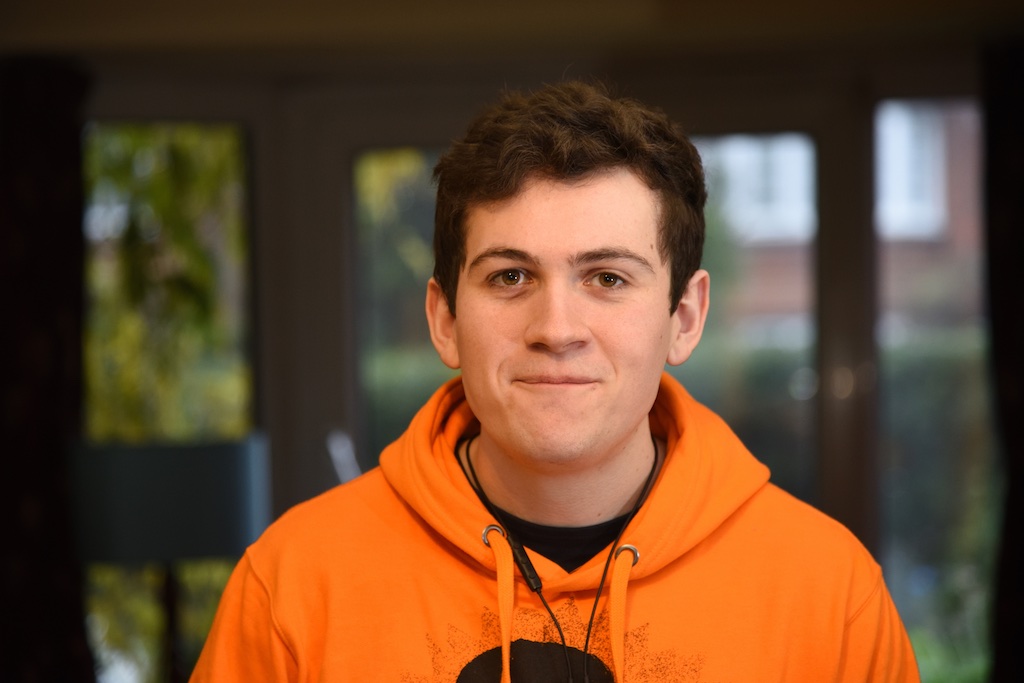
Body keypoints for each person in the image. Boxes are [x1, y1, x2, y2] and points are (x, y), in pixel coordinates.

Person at [191, 80, 919, 682]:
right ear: (444, 319)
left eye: (607, 278)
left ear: (685, 316)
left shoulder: (830, 595)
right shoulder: (292, 586)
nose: (557, 327)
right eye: (511, 277)